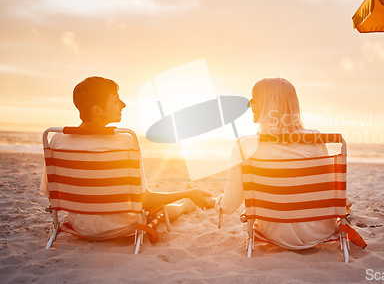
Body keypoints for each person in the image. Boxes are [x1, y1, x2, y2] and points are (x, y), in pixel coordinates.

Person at [40, 76, 214, 239]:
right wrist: (189, 192)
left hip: (81, 226)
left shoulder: (57, 141)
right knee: (155, 206)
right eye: (116, 101)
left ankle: (185, 204)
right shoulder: (124, 142)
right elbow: (143, 200)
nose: (123, 105)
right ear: (97, 111)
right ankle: (185, 205)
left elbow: (52, 192)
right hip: (119, 227)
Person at [215, 78, 350, 250]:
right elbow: (328, 189)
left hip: (275, 234)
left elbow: (229, 205)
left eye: (254, 100)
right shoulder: (315, 139)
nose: (250, 105)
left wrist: (217, 203)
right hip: (319, 232)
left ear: (266, 105)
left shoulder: (246, 146)